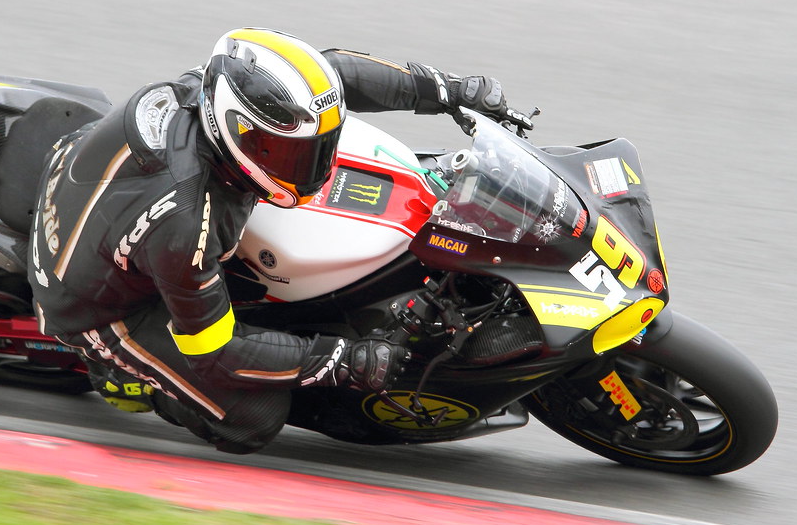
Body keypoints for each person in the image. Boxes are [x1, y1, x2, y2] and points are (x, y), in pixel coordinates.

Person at [27, 28, 530, 454]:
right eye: (287, 154)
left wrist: (448, 90)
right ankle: (124, 377)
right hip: (101, 307)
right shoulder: (186, 225)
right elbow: (213, 350)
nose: (308, 168)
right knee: (254, 418)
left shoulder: (218, 89)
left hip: (108, 197)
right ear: (236, 132)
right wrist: (339, 359)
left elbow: (337, 76)